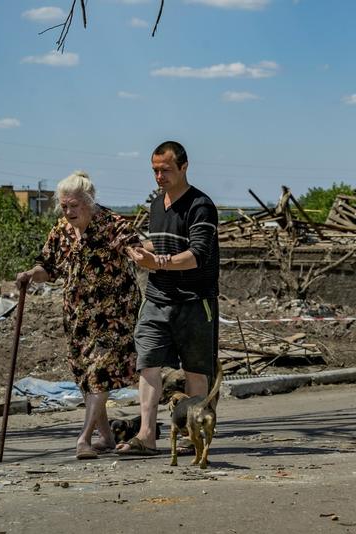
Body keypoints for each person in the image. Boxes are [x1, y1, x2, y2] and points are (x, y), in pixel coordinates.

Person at [16, 171, 158, 460]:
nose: (68, 212)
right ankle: (105, 436)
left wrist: (143, 254)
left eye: (73, 206)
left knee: (98, 373)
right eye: (64, 206)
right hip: (78, 316)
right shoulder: (61, 231)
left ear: (89, 202)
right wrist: (32, 275)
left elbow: (135, 249)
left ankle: (84, 438)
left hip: (114, 314)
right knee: (85, 376)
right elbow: (49, 268)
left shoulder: (111, 224)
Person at [116, 141, 220, 456]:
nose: (159, 176)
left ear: (184, 167)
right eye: (155, 170)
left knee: (196, 369)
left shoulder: (200, 205)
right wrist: (142, 250)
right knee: (147, 363)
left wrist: (157, 262)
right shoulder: (156, 205)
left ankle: (194, 433)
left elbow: (197, 255)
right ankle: (147, 435)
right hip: (157, 297)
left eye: (166, 170)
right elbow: (161, 245)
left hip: (193, 300)